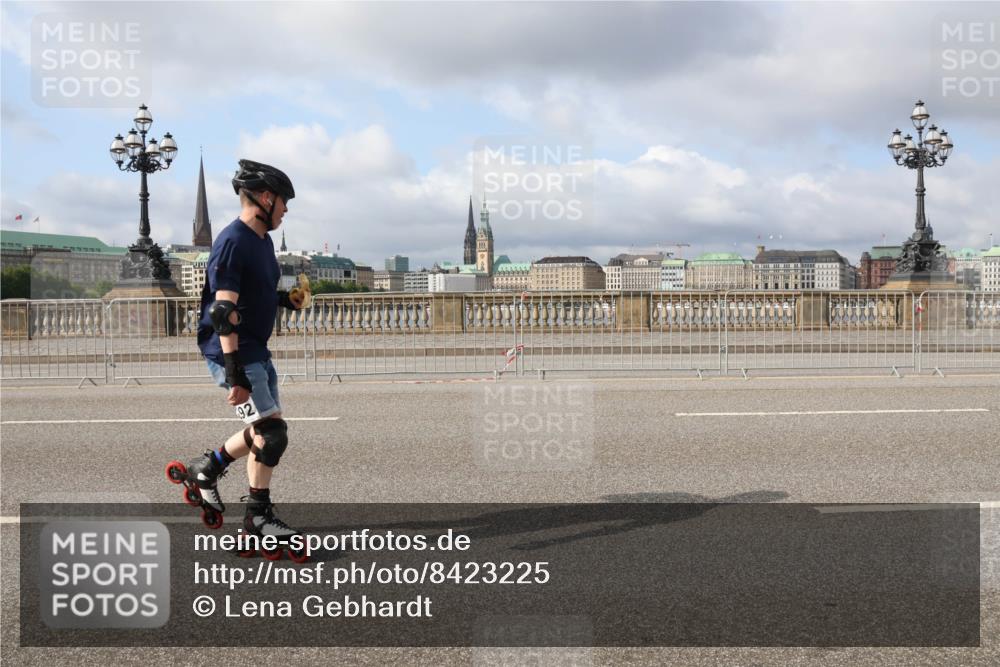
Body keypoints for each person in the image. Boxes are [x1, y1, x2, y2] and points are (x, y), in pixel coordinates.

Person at [181, 159, 306, 553]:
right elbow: (222, 313)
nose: (285, 209)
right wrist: (235, 375)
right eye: (283, 201)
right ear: (265, 198)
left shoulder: (262, 240)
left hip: (255, 348)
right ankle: (257, 518)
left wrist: (286, 299)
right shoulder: (233, 240)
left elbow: (257, 293)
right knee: (271, 434)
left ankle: (207, 470)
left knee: (262, 429)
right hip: (234, 352)